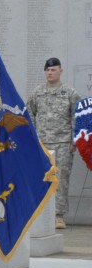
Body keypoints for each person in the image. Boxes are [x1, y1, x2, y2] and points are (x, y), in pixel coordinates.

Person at [27, 57, 81, 229]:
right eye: (48, 70)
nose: (50, 73)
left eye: (53, 70)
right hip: (42, 144)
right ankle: (40, 214)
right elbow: (28, 114)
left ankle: (58, 215)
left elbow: (77, 116)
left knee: (61, 179)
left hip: (63, 144)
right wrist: (33, 139)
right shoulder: (37, 93)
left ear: (60, 71)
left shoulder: (70, 93)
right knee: (41, 179)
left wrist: (74, 140)